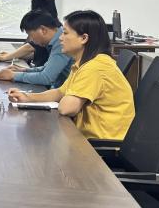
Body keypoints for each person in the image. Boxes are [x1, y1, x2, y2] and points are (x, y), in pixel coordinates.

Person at [7, 10, 135, 141]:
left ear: (84, 38)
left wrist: (65, 95)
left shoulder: (95, 67)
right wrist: (27, 97)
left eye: (65, 33)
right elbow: (60, 92)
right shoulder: (84, 63)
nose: (60, 38)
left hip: (102, 143)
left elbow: (66, 108)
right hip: (88, 137)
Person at [0, 10, 72, 88]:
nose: (31, 40)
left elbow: (46, 78)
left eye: (30, 35)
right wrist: (23, 70)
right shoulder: (56, 40)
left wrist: (13, 75)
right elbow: (46, 68)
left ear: (43, 30)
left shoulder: (61, 42)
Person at [0, 0, 59, 64]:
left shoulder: (48, 27)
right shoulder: (54, 24)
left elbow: (29, 47)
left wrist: (6, 57)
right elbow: (38, 54)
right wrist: (12, 55)